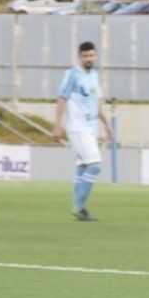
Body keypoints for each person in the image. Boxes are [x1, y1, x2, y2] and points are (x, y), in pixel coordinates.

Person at [52, 41, 114, 221]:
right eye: (85, 56)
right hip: (77, 128)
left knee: (83, 167)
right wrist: (57, 125)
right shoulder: (72, 75)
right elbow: (61, 100)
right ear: (80, 56)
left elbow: (97, 104)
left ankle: (78, 209)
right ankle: (79, 208)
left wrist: (107, 125)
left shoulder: (94, 75)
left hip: (91, 129)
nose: (89, 59)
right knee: (95, 166)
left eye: (91, 55)